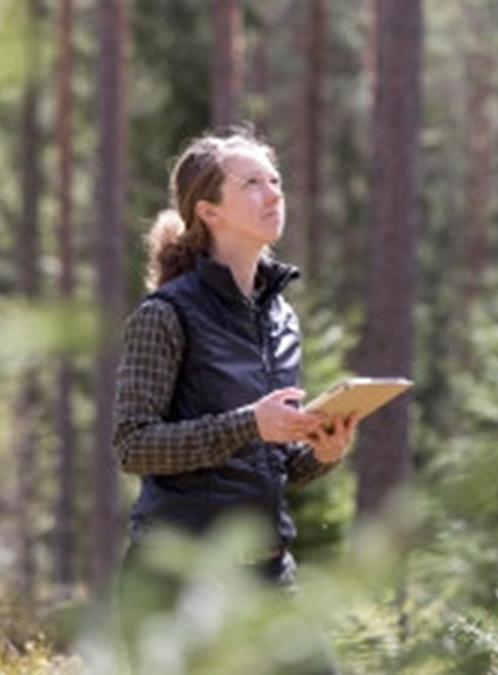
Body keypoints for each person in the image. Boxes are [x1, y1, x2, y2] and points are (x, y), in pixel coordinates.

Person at [111, 128, 357, 602]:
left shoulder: (282, 318)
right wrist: (249, 424)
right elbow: (132, 446)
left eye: (275, 180)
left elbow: (274, 464)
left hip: (269, 577)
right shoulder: (164, 315)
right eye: (252, 184)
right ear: (209, 211)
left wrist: (322, 454)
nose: (274, 193)